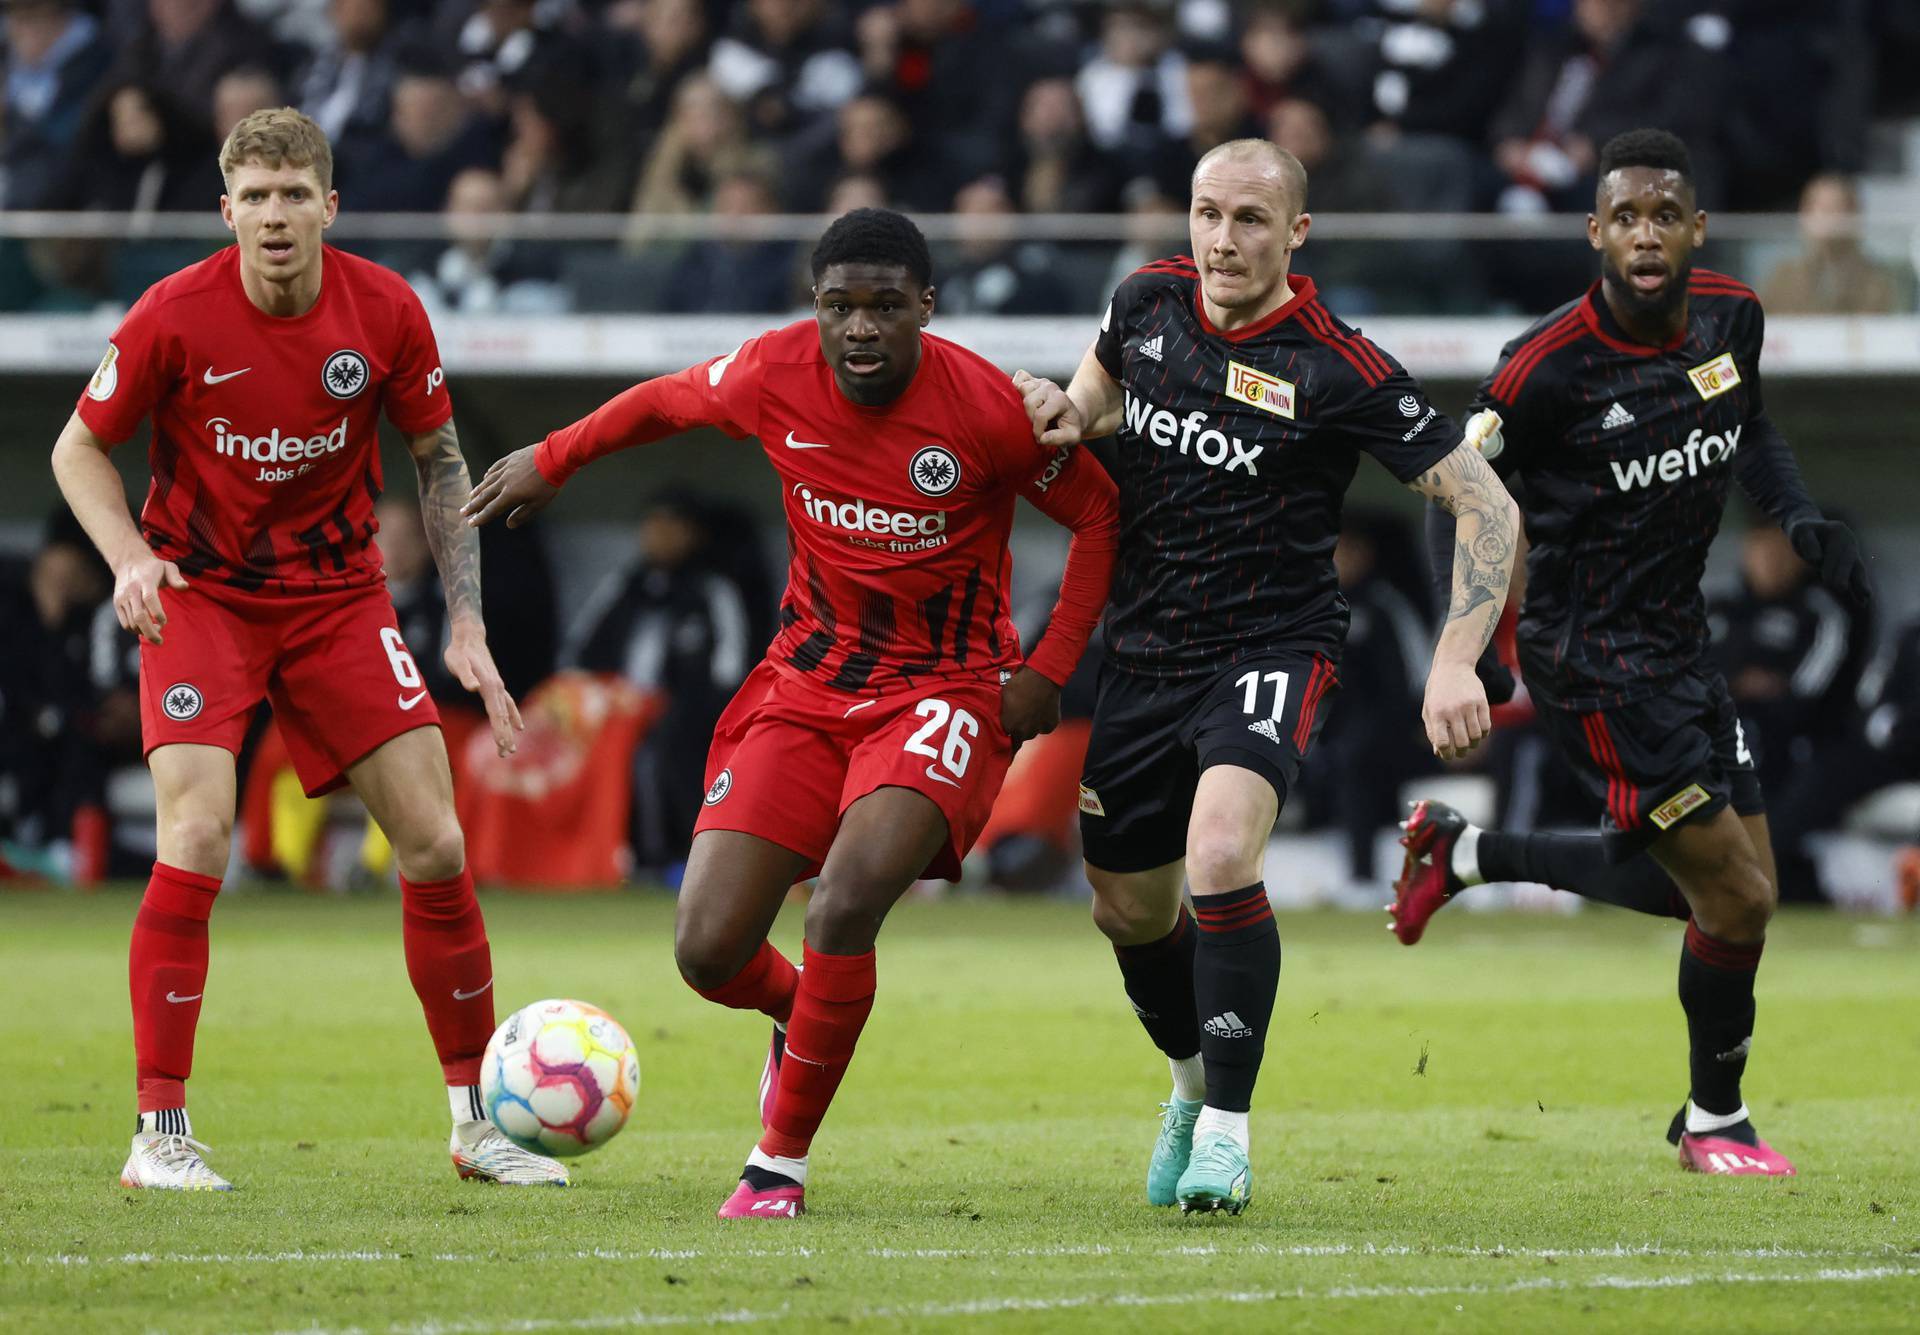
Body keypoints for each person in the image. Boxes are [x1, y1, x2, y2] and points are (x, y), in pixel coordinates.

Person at [464, 208, 1120, 1219]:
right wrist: (554, 458)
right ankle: (795, 1014)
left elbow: (1099, 513)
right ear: (815, 308)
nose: (860, 328)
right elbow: (661, 405)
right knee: (706, 949)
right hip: (803, 686)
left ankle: (778, 1163)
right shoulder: (772, 372)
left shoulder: (991, 407)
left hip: (941, 690)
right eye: (839, 306)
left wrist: (1048, 668)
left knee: (842, 905)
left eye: (884, 308)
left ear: (925, 310)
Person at [49, 106, 568, 1191]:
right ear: (224, 210)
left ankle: (478, 1124)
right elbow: (78, 447)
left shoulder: (384, 310)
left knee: (434, 840)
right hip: (201, 595)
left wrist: (464, 621)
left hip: (338, 600)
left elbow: (435, 457)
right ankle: (160, 1135)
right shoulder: (171, 316)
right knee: (197, 834)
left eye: (296, 195)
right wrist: (129, 561)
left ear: (330, 207)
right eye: (256, 197)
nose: (276, 216)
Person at [1013, 137, 1518, 1214]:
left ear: (1296, 233)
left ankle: (1231, 1139)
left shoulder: (1339, 365)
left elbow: (1487, 502)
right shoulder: (1145, 302)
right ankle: (1192, 1088)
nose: (1223, 240)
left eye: (1250, 219)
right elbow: (1096, 404)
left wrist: (1455, 661)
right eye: (1207, 214)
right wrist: (1058, 413)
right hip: (1144, 650)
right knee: (1126, 909)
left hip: (1270, 645)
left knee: (1222, 855)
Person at [1390, 130, 1874, 1178]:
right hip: (1594, 662)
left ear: (1696, 229)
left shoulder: (1731, 316)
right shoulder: (1546, 367)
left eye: (1665, 215)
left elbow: (1748, 424)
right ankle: (1713, 1120)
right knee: (1737, 901)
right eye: (1626, 217)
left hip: (1682, 645)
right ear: (1596, 232)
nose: (1645, 235)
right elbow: (1455, 493)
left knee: (1727, 892)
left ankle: (1468, 853)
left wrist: (1793, 518)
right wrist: (1461, 648)